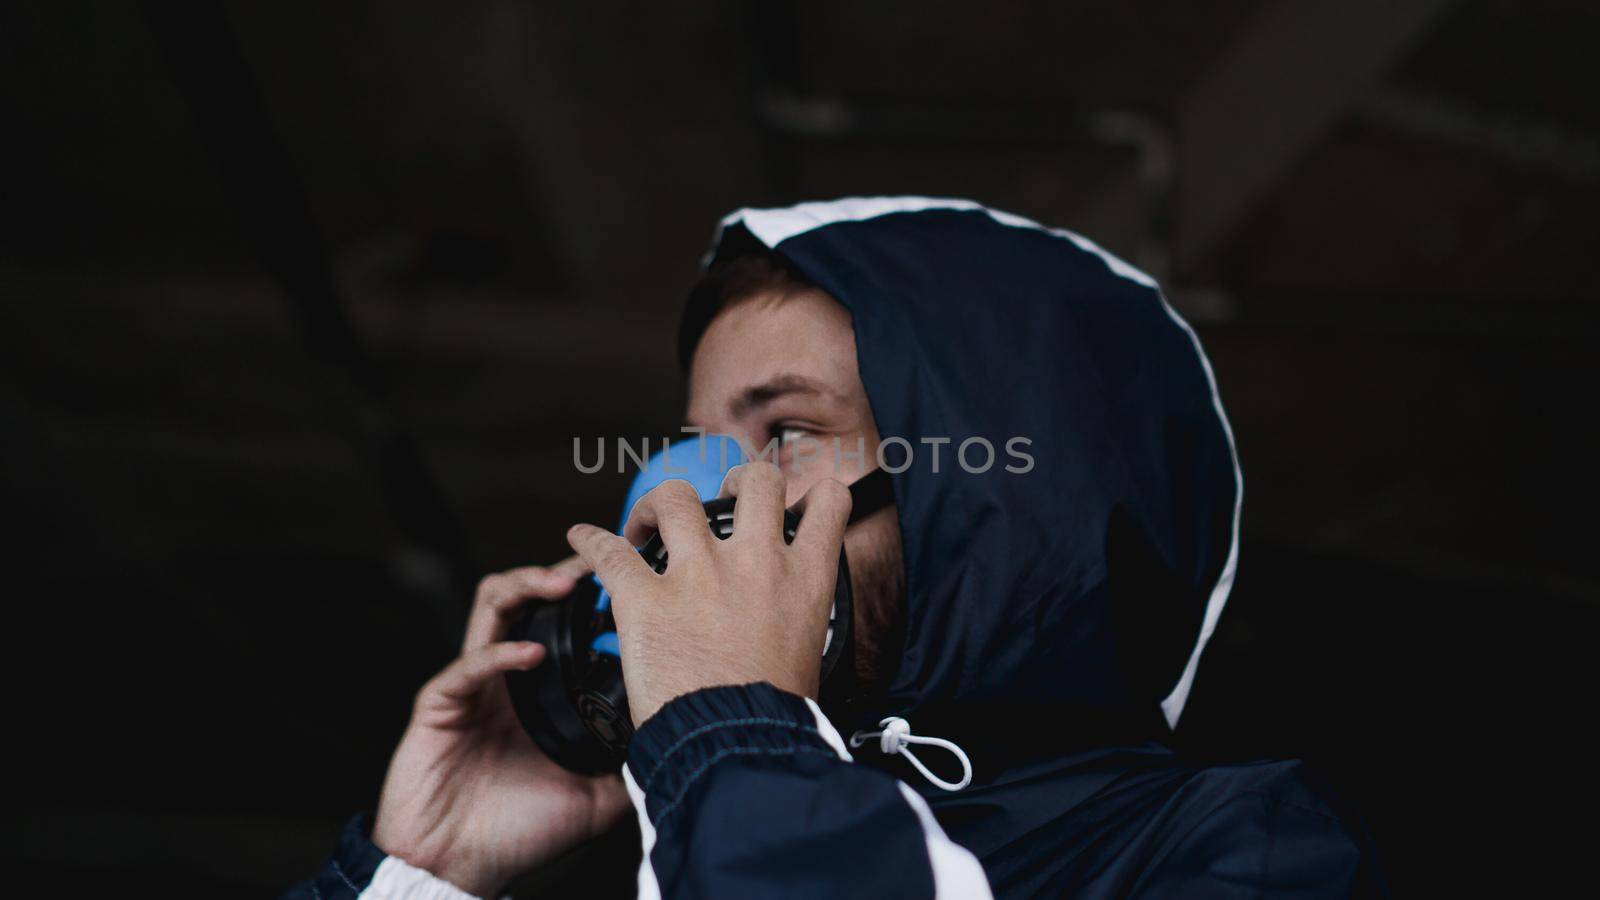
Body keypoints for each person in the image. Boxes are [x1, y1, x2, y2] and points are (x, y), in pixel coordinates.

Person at [284, 197, 1385, 898]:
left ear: (994, 481)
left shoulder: (1255, 854)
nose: (687, 504)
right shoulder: (681, 835)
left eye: (790, 432)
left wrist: (732, 740)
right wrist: (422, 879)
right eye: (694, 449)